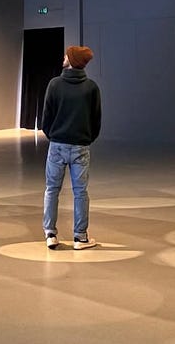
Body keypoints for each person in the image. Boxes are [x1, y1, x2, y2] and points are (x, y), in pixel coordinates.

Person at [41, 44, 102, 250]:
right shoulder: (91, 88)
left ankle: (50, 234)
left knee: (52, 190)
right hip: (80, 147)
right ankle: (80, 237)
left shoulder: (54, 85)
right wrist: (87, 138)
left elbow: (46, 117)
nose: (64, 57)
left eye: (67, 55)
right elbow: (96, 120)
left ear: (72, 61)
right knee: (80, 192)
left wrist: (53, 135)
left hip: (57, 145)